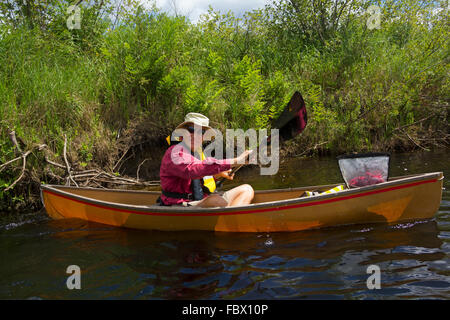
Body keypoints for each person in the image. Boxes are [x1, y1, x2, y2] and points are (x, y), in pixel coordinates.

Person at [159, 113, 254, 207]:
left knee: (246, 190)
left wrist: (219, 174)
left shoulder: (197, 153)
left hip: (200, 200)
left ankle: (231, 220)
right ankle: (230, 219)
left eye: (200, 132)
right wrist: (236, 160)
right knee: (216, 201)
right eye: (191, 130)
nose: (195, 135)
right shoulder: (175, 153)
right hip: (180, 203)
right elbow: (193, 170)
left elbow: (200, 179)